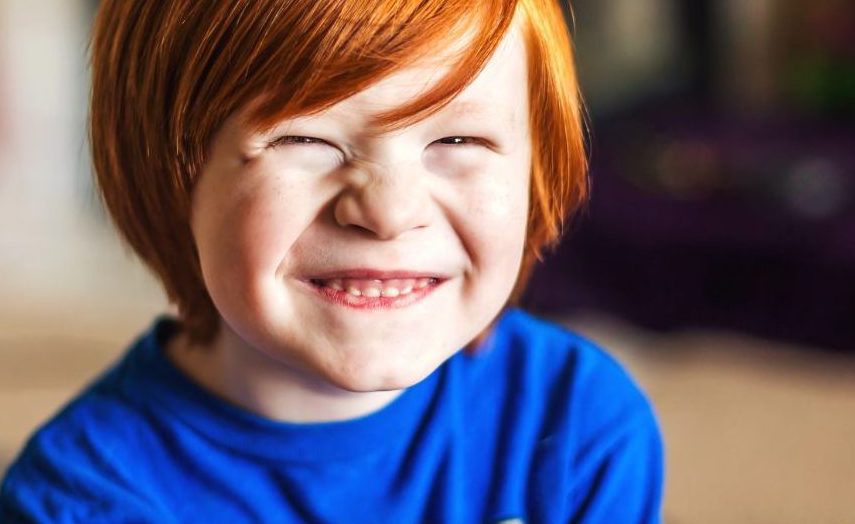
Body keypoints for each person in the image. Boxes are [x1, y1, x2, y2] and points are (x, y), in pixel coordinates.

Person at [0, 0, 664, 522]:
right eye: (304, 139)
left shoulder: (574, 425)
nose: (389, 211)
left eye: (459, 139)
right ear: (169, 178)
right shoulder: (80, 501)